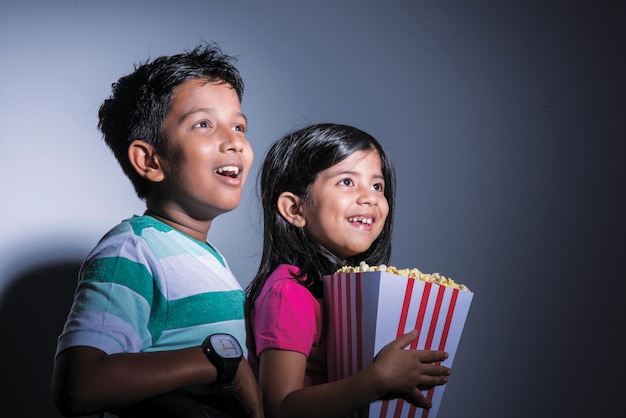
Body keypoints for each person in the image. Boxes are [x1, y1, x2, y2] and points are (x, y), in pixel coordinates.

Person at [52, 43, 263, 418]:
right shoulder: (132, 249)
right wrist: (218, 361)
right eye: (203, 124)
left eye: (238, 126)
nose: (235, 142)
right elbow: (80, 385)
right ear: (149, 160)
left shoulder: (205, 257)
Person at [245, 123, 452, 418]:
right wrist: (377, 380)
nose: (370, 197)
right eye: (346, 182)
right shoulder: (289, 292)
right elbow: (280, 407)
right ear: (295, 209)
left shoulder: (353, 290)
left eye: (377, 186)